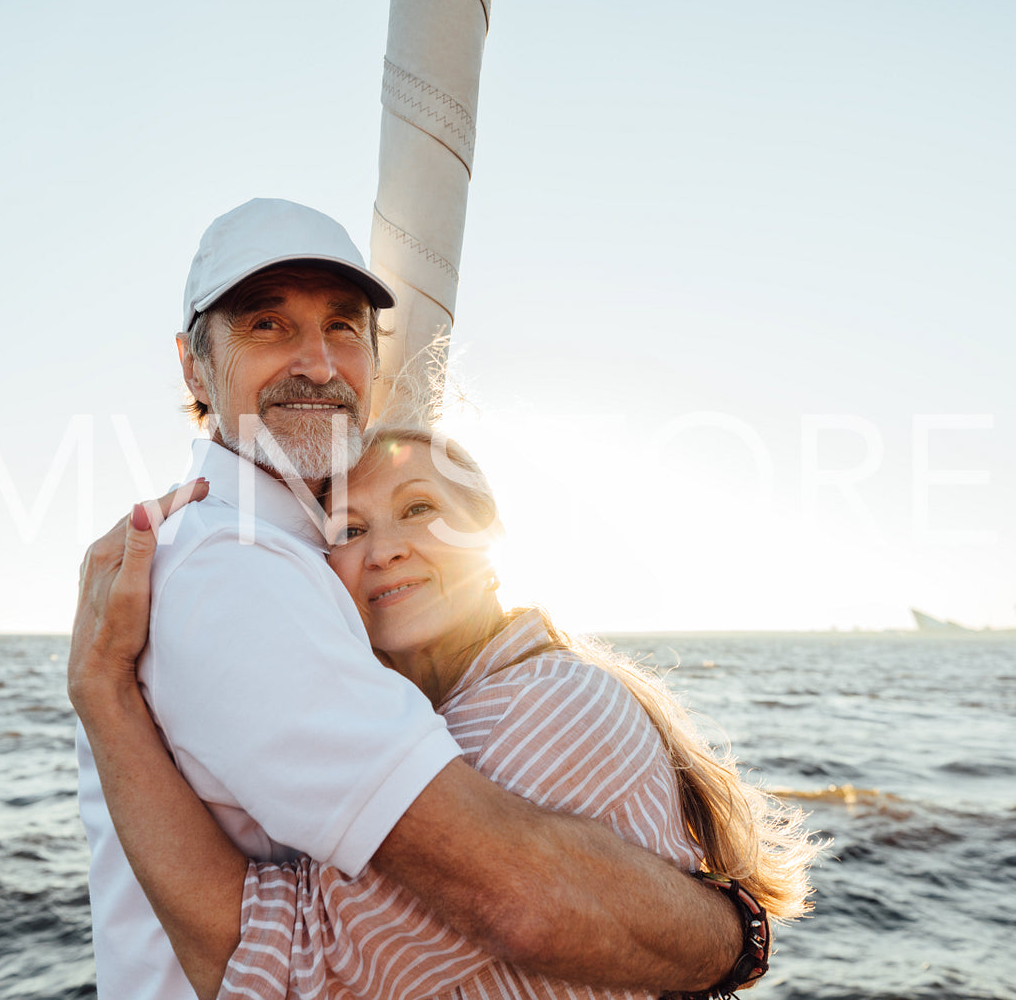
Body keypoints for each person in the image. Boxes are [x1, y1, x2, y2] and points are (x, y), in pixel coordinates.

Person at [73, 198, 759, 1000]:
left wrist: (101, 695)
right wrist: (732, 938)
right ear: (193, 364)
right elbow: (514, 896)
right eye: (267, 324)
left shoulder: (275, 547)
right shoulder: (238, 568)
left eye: (342, 326)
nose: (318, 364)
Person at [72, 424, 818, 999]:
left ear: (487, 534)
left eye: (418, 508)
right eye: (349, 530)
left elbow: (283, 968)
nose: (385, 549)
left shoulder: (549, 706)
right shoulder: (443, 710)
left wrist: (104, 694)